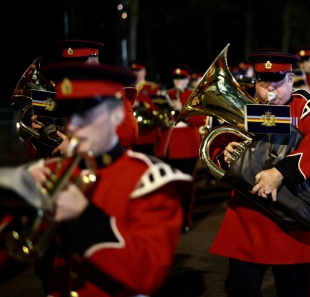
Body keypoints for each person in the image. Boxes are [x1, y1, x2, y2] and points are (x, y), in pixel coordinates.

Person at [0, 62, 192, 296]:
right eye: (68, 113)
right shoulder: (51, 172)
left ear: (117, 114)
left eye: (87, 113)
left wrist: (83, 216)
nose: (74, 125)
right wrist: (17, 207)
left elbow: (147, 277)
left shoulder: (152, 181)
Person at [208, 50, 310, 297]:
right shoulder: (245, 105)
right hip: (247, 219)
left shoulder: (305, 106)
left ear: (291, 79)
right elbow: (217, 143)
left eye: (277, 82)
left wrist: (280, 172)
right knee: (239, 290)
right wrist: (225, 153)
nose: (270, 90)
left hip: (291, 222)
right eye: (263, 82)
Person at [24, 40, 138, 159]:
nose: (72, 73)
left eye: (79, 68)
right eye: (69, 68)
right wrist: (38, 135)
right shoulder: (59, 98)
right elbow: (36, 155)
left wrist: (74, 141)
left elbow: (129, 133)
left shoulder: (111, 97)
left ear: (96, 66)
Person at [155, 63, 206, 233]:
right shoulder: (166, 94)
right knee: (168, 186)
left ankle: (185, 220)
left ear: (187, 80)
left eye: (182, 78)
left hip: (186, 146)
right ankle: (169, 219)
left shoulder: (194, 96)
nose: (179, 82)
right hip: (167, 145)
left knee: (185, 185)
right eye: (176, 78)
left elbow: (201, 120)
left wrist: (182, 110)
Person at [129, 61, 163, 155]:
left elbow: (157, 108)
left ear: (145, 72)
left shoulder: (153, 87)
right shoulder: (128, 88)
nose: (135, 73)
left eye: (138, 70)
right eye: (133, 70)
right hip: (133, 133)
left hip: (148, 133)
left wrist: (140, 104)